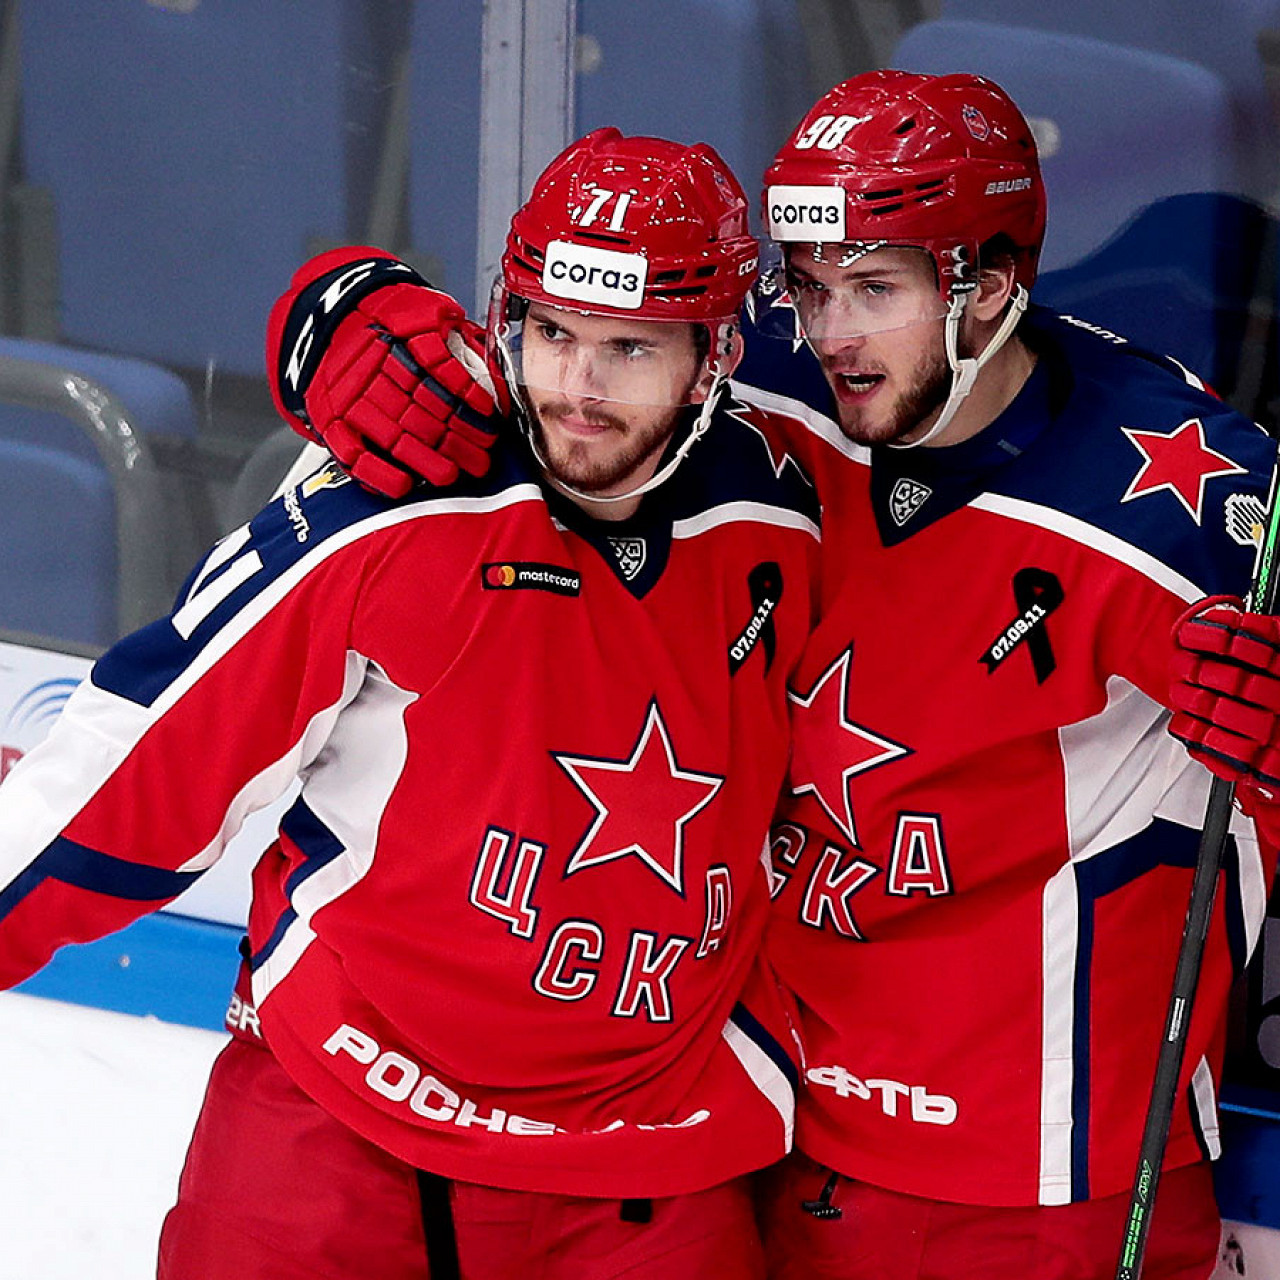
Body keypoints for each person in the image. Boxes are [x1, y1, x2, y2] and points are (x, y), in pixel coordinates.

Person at [285, 74, 1280, 1280]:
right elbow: (535, 356)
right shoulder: (750, 371)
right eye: (806, 285)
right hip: (752, 1123)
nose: (828, 332)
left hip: (1025, 1186)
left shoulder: (1182, 504)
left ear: (989, 284)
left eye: (873, 288)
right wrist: (341, 319)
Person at [0, 128, 823, 1280]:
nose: (577, 388)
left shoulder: (796, 501)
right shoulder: (404, 493)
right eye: (551, 333)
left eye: (629, 347)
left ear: (713, 354)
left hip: (648, 1157)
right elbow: (135, 764)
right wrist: (336, 304)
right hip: (337, 1119)